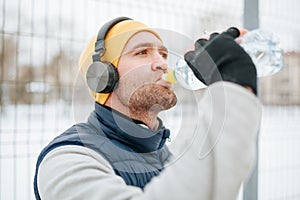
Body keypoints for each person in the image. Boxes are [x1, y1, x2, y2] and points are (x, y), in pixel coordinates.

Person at [34, 17, 262, 200]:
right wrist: (232, 87)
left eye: (163, 54)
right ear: (102, 76)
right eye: (142, 52)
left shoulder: (166, 153)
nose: (163, 63)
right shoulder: (67, 160)